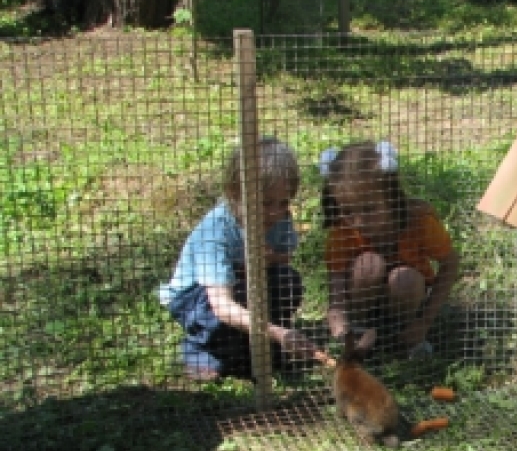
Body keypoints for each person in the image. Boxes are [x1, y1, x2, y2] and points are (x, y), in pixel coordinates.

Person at [160, 136, 320, 381]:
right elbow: (222, 306)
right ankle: (199, 350)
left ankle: (260, 344)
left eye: (284, 202)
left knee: (288, 281)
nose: (277, 212)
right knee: (216, 322)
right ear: (236, 193)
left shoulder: (280, 217)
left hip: (246, 283)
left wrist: (269, 259)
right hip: (199, 297)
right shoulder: (216, 231)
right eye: (266, 203)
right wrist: (279, 333)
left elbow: (285, 256)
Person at [320, 140, 460, 357]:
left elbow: (450, 263)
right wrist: (339, 322)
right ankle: (360, 332)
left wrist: (424, 321)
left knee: (405, 278)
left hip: (407, 298)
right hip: (362, 301)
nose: (359, 221)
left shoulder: (419, 220)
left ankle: (402, 335)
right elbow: (336, 287)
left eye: (369, 209)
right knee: (369, 264)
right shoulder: (343, 229)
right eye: (348, 211)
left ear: (392, 197)